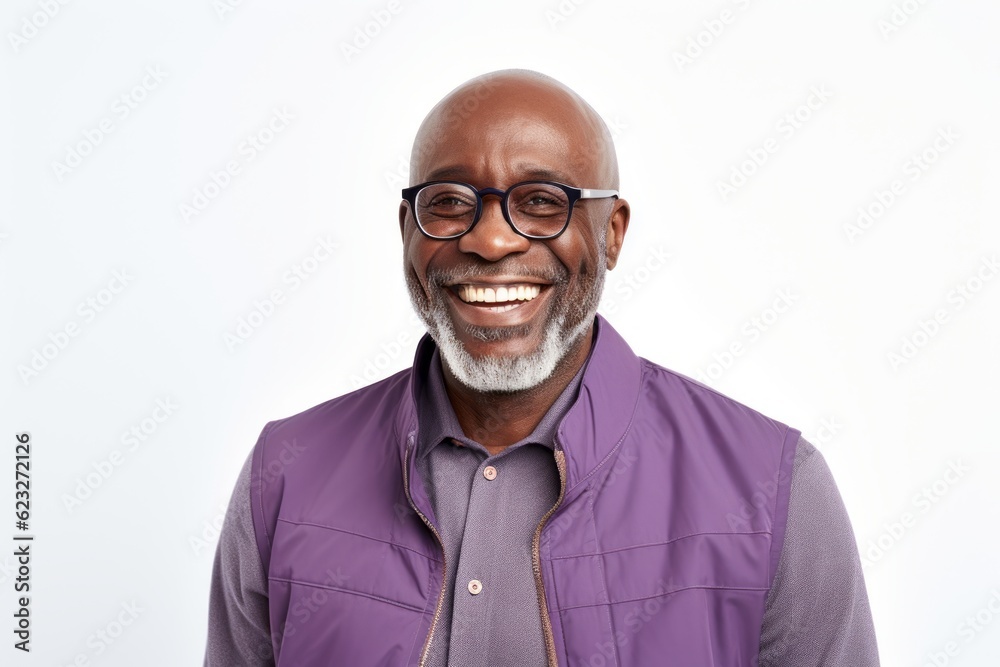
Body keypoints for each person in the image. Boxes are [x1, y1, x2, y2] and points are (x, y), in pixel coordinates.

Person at [204, 69, 880, 666]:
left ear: (611, 232)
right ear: (406, 228)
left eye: (541, 202)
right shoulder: (287, 472)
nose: (490, 239)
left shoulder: (772, 487)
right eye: (447, 201)